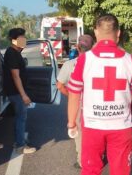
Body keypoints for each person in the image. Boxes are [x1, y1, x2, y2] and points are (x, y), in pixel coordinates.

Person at [67, 14, 132, 175]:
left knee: (90, 170)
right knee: (121, 171)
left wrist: (71, 123)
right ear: (118, 33)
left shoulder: (84, 60)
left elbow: (74, 94)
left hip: (92, 126)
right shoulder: (129, 60)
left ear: (96, 32)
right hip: (121, 127)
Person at [56, 34, 94, 168]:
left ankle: (82, 162)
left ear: (77, 47)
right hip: (97, 104)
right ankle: (98, 156)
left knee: (80, 135)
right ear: (92, 47)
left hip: (78, 106)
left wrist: (72, 96)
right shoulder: (99, 63)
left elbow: (60, 86)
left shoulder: (69, 65)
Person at [3, 28, 36, 154]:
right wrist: (23, 95)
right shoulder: (12, 53)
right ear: (13, 40)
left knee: (20, 117)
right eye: (21, 38)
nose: (24, 41)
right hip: (15, 92)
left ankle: (20, 139)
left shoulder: (16, 52)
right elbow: (15, 76)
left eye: (24, 38)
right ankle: (20, 145)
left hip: (16, 91)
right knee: (21, 117)